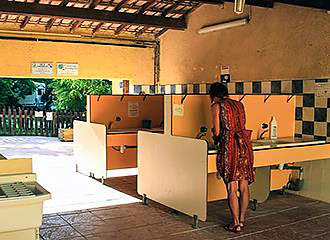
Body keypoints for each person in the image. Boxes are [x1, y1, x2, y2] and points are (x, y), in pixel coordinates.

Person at [209, 82, 255, 233]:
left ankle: (235, 223)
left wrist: (215, 138)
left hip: (230, 147)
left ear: (213, 95)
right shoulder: (239, 104)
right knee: (244, 184)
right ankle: (241, 219)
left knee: (232, 186)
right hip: (245, 145)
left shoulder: (217, 106)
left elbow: (217, 132)